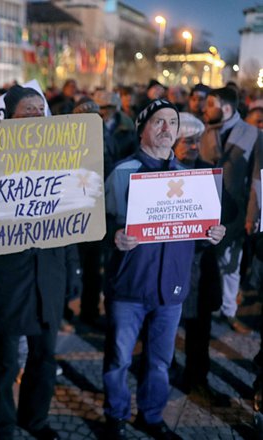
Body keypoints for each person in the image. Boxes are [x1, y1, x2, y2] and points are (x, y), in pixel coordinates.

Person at [102, 99, 226, 440]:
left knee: (160, 361)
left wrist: (210, 235)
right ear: (143, 128)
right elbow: (98, 228)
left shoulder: (191, 178)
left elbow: (195, 235)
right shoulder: (122, 171)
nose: (166, 128)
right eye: (158, 121)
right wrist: (113, 236)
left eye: (172, 122)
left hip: (170, 287)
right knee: (118, 359)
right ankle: (115, 416)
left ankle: (151, 416)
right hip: (129, 285)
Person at [0, 85, 80, 440]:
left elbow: (72, 217)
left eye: (41, 109)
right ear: (10, 117)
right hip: (8, 274)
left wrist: (72, 270)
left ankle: (34, 419)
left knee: (44, 355)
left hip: (49, 272)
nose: (37, 115)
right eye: (28, 110)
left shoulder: (61, 157)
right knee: (5, 359)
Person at [172, 113, 229, 406]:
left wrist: (220, 231)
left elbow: (226, 211)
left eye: (196, 140)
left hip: (201, 264)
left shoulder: (208, 172)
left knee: (200, 327)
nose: (194, 146)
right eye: (187, 141)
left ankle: (198, 378)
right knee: (164, 325)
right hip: (170, 264)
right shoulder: (160, 175)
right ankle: (163, 373)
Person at [200, 87, 263, 334]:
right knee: (203, 263)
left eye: (210, 104)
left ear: (225, 108)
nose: (205, 109)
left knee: (230, 265)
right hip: (203, 210)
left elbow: (257, 179)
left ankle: (228, 311)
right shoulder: (202, 132)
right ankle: (203, 307)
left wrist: (252, 215)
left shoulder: (253, 135)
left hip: (234, 214)